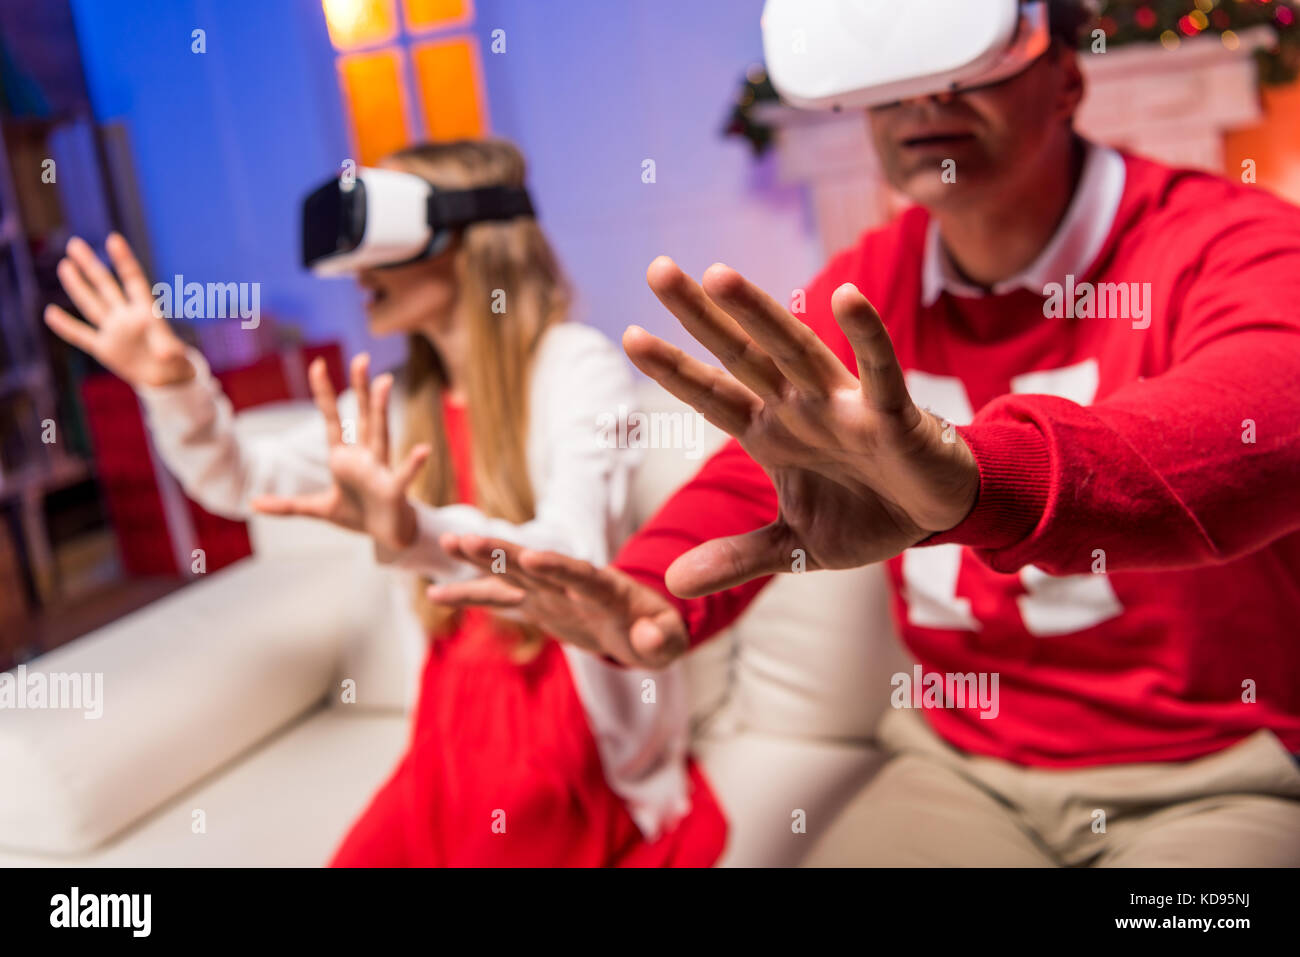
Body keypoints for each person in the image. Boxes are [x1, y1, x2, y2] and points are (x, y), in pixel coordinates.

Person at [429, 2, 1300, 866]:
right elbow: (771, 465)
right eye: (894, 84)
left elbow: (1257, 430)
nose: (927, 103)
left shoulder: (1227, 240)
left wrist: (976, 480)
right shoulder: (870, 281)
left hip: (1217, 774)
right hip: (959, 771)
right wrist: (652, 585)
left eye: (968, 69)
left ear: (1066, 78)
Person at [44, 138, 725, 867]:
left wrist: (412, 528)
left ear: (466, 241)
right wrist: (172, 384)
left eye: (379, 237)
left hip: (558, 719)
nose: (358, 273)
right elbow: (238, 475)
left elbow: (570, 557)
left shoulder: (576, 367)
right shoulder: (399, 400)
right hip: (446, 731)